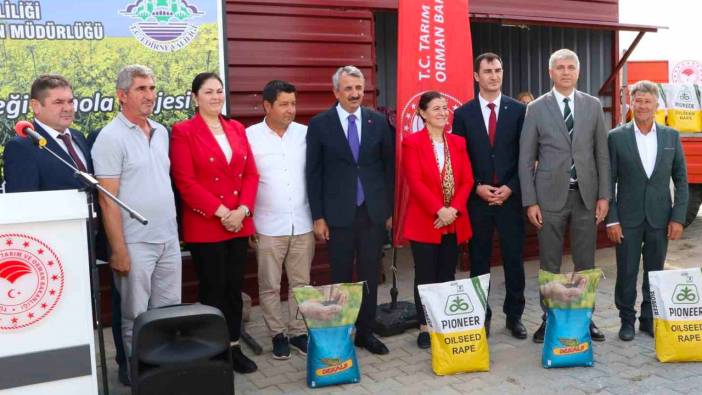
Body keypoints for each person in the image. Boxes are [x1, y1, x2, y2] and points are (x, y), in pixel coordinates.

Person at [91, 65, 182, 379]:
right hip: (134, 242)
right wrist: (119, 249)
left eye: (152, 88)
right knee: (136, 317)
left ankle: (165, 375)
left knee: (168, 312)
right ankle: (142, 379)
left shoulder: (161, 132)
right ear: (122, 95)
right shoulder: (110, 138)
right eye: (141, 89)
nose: (150, 95)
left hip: (168, 239)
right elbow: (107, 199)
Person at [519, 48, 610, 343]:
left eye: (571, 67)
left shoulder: (593, 106)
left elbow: (602, 155)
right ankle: (549, 319)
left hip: (586, 196)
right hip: (549, 199)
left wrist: (604, 196)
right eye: (560, 67)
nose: (566, 71)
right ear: (551, 72)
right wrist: (530, 201)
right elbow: (525, 158)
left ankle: (585, 319)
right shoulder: (536, 108)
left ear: (578, 71)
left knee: (585, 262)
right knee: (550, 263)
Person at [170, 72, 259, 373]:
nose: (216, 97)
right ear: (195, 98)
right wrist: (224, 213)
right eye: (208, 92)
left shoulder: (236, 128)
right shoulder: (183, 132)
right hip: (207, 224)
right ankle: (211, 351)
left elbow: (251, 174)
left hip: (238, 221)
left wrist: (243, 209)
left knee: (234, 289)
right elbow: (185, 181)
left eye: (219, 91)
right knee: (213, 290)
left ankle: (233, 347)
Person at [306, 65, 395, 355]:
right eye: (348, 89)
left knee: (370, 274)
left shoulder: (377, 122)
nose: (355, 94)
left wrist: (389, 210)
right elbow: (314, 173)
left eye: (359, 88)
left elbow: (388, 168)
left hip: (371, 212)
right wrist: (318, 216)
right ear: (336, 92)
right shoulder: (320, 124)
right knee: (341, 275)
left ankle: (365, 333)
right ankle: (341, 333)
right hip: (337, 215)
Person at [452, 53, 527, 339]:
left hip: (510, 198)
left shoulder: (518, 110)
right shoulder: (463, 114)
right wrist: (477, 187)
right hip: (478, 200)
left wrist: (511, 186)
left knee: (513, 260)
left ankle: (515, 316)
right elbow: (461, 159)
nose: (494, 76)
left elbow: (525, 155)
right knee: (479, 261)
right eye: (487, 71)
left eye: (498, 70)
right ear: (476, 76)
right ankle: (480, 315)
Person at [606, 80, 688, 341]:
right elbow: (608, 181)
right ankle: (626, 320)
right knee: (627, 271)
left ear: (656, 105)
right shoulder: (616, 137)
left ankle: (648, 319)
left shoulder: (671, 137)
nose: (642, 106)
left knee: (655, 271)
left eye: (647, 101)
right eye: (638, 100)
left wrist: (678, 218)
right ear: (631, 103)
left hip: (659, 218)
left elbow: (681, 180)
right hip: (627, 219)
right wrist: (612, 220)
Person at [246, 80, 314, 360]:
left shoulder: (306, 134)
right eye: (284, 104)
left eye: (293, 104)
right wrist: (249, 221)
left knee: (301, 283)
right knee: (270, 285)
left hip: (302, 221)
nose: (291, 110)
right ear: (267, 106)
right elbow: (244, 180)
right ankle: (277, 334)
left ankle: (298, 331)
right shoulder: (250, 136)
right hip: (267, 225)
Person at [403, 91, 473, 349]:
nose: (443, 112)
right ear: (422, 113)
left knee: (447, 272)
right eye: (436, 108)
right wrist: (439, 211)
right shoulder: (412, 143)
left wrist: (453, 210)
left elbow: (467, 180)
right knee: (425, 274)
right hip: (425, 220)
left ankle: (443, 321)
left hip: (453, 219)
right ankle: (424, 326)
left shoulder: (457, 142)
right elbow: (415, 182)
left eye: (445, 108)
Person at [3, 74, 92, 192]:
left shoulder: (78, 136)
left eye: (70, 102)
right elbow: (23, 205)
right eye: (58, 102)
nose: (68, 108)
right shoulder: (21, 147)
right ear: (36, 106)